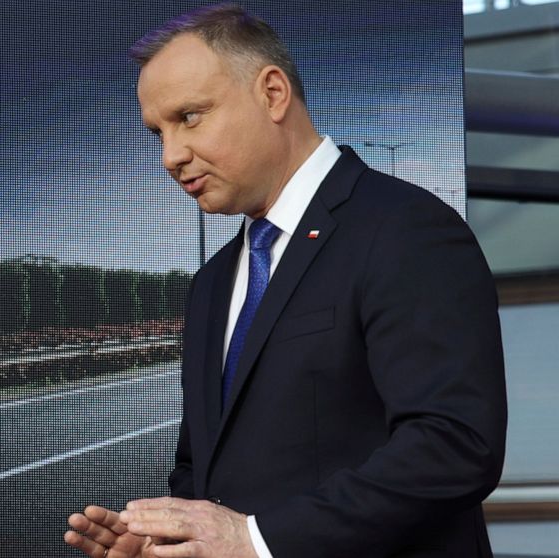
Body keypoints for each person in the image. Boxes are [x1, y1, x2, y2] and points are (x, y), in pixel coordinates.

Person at [65, 4, 506, 557]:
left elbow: (455, 445)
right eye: (157, 131)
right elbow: (200, 470)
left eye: (190, 117)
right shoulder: (212, 283)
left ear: (273, 93)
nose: (170, 156)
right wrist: (169, 544)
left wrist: (256, 540)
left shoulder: (406, 228)